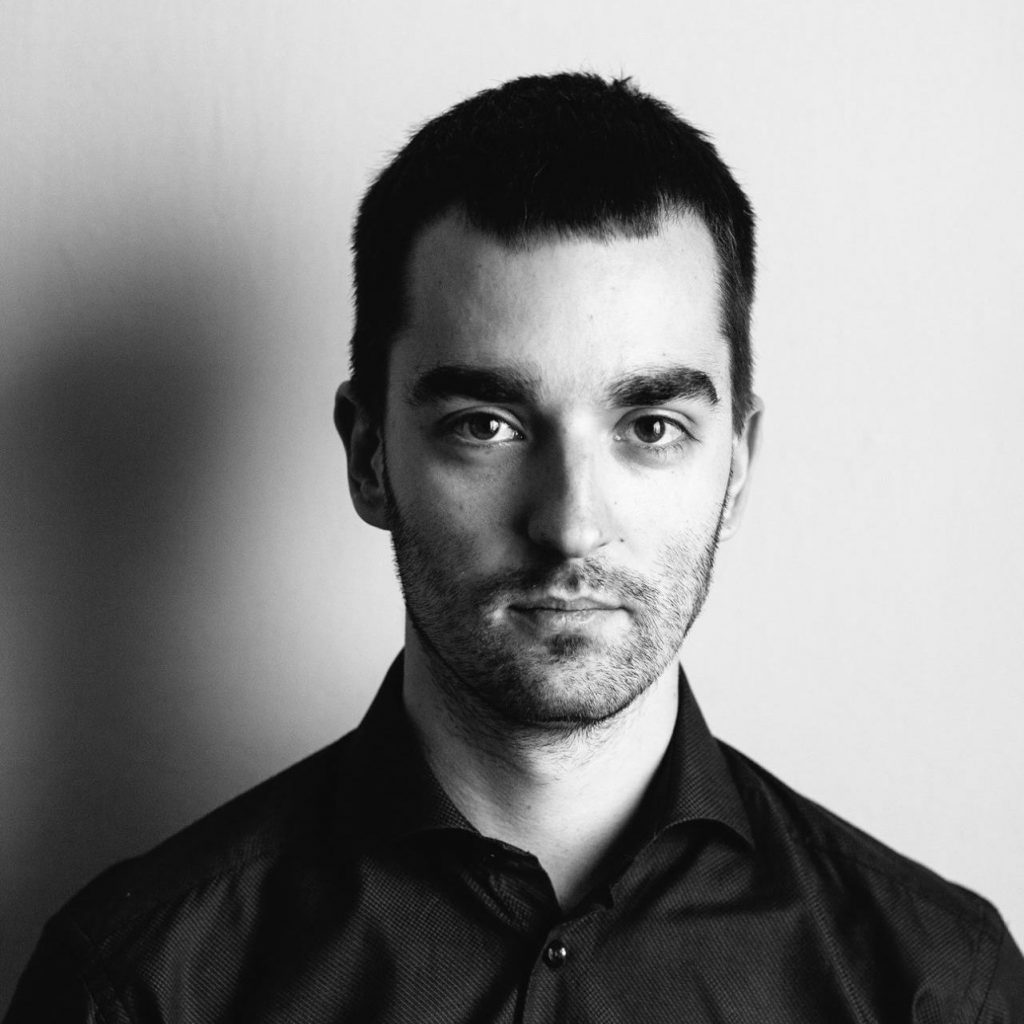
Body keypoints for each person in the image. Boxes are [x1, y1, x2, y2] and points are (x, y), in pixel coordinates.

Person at [6, 71, 1022, 1023]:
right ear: (369, 456)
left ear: (737, 466)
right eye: (486, 425)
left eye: (651, 425)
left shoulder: (932, 983)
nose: (570, 524)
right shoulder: (142, 983)